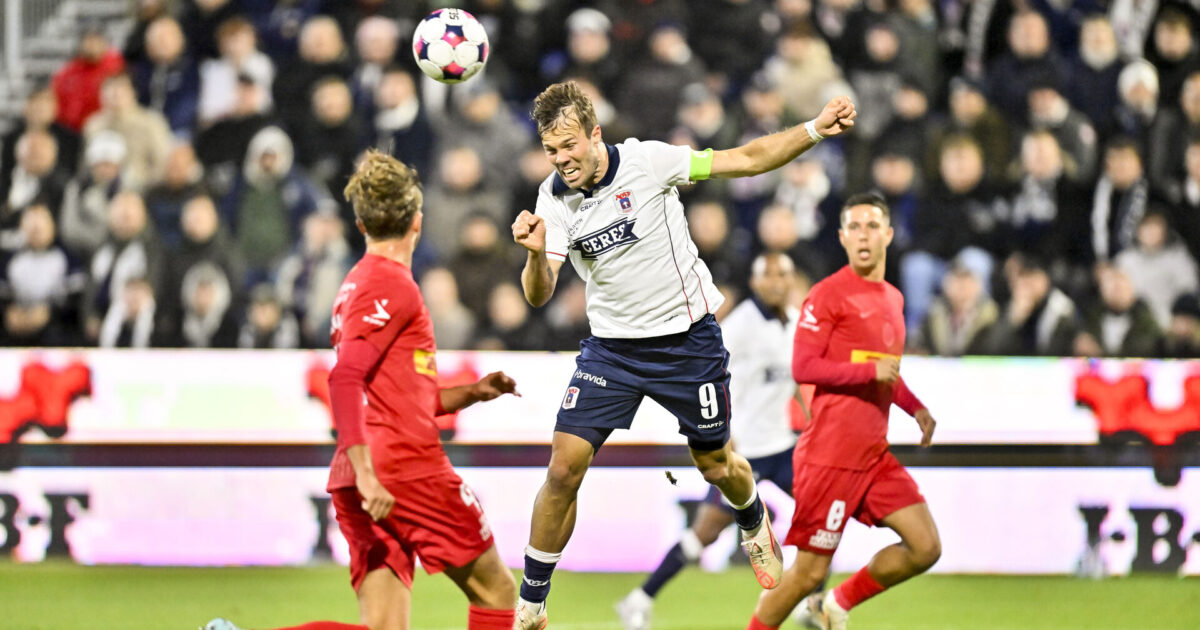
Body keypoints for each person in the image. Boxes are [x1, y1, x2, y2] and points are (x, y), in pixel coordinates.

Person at [510, 80, 856, 629]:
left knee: (716, 465)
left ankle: (750, 516)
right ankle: (530, 604)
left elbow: (744, 159)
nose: (561, 160)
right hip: (612, 353)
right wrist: (533, 257)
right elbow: (539, 292)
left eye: (570, 145)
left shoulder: (650, 162)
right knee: (562, 468)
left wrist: (813, 128)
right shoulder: (552, 199)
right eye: (552, 151)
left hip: (686, 344)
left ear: (595, 135)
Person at [204, 151, 518, 630]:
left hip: (359, 471)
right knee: (497, 594)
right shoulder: (391, 286)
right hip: (400, 467)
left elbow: (395, 394)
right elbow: (346, 378)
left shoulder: (355, 284)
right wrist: (371, 473)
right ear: (418, 220)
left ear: (359, 222)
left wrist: (470, 393)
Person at [746, 193, 941, 630]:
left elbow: (885, 371)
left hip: (873, 454)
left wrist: (914, 408)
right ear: (842, 238)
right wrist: (869, 371)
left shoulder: (892, 298)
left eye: (872, 225)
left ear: (888, 235)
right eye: (854, 227)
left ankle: (833, 606)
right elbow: (805, 367)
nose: (863, 235)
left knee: (925, 546)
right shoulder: (827, 295)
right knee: (806, 574)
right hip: (830, 456)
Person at [615, 252, 822, 630]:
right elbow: (714, 379)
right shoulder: (740, 325)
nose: (776, 281)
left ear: (793, 281)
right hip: (743, 452)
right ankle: (639, 599)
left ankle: (811, 605)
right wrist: (725, 438)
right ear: (756, 282)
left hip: (781, 446)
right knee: (705, 533)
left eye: (783, 274)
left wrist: (812, 422)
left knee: (821, 514)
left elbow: (792, 383)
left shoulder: (794, 325)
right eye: (768, 274)